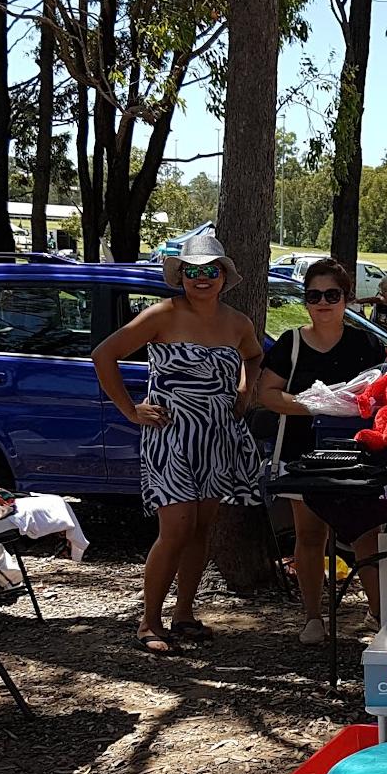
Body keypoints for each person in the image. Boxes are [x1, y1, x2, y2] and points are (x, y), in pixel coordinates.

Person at [93, 233, 266, 654]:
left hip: (217, 436)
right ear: (181, 276)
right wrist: (131, 410)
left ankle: (183, 614)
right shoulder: (162, 315)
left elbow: (255, 357)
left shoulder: (237, 322)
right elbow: (104, 355)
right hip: (170, 436)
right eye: (193, 271)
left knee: (203, 528)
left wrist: (245, 391)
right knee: (176, 528)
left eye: (210, 271)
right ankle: (148, 622)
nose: (201, 279)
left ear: (223, 275)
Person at [258, 259, 387, 643]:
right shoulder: (291, 343)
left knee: (366, 533)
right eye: (314, 295)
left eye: (332, 295)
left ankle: (380, 616)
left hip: (359, 454)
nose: (323, 303)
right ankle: (313, 618)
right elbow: (266, 394)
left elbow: (386, 393)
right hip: (303, 451)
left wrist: (352, 407)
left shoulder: (366, 343)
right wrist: (313, 405)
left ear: (346, 299)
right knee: (309, 534)